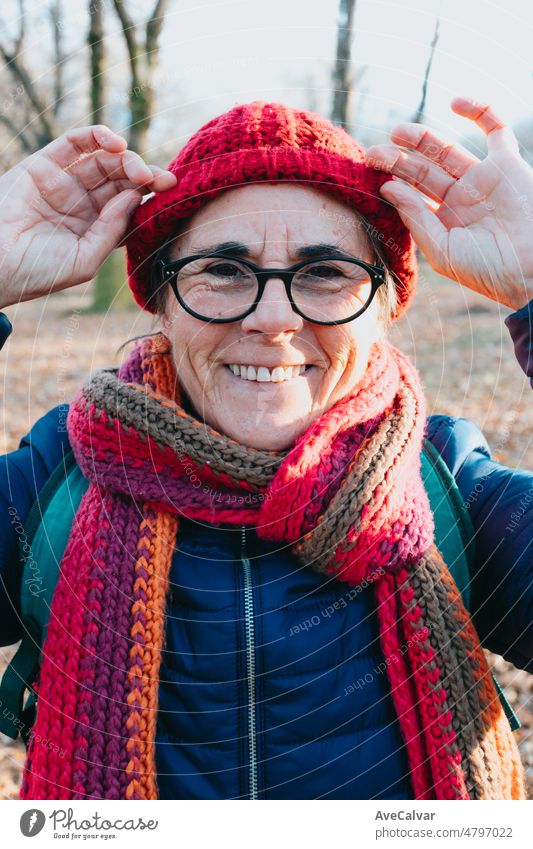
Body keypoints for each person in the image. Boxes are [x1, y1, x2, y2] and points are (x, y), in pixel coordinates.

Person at [0, 97, 531, 801]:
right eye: (222, 270)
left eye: (324, 273)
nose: (272, 318)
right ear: (161, 297)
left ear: (382, 306)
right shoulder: (51, 486)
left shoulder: (449, 492)